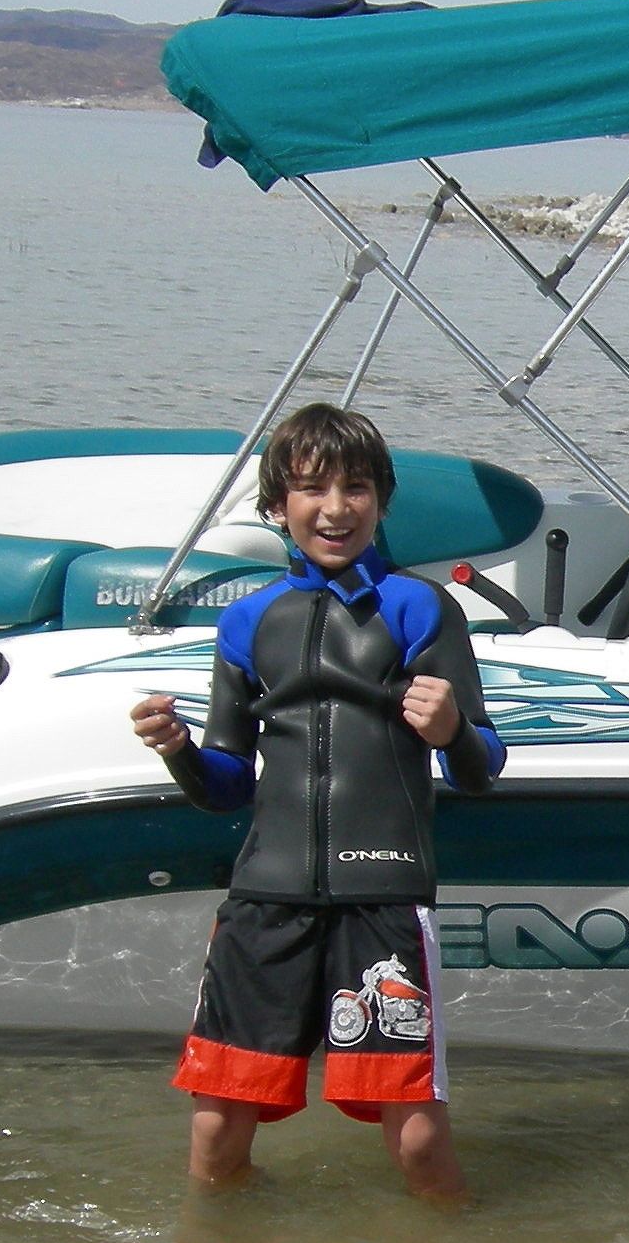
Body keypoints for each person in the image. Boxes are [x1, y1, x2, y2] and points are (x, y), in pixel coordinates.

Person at [129, 404, 505, 1195]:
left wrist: (449, 732)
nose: (336, 508)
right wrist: (180, 754)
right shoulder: (247, 621)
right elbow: (227, 784)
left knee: (417, 1146)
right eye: (311, 489)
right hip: (265, 898)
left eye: (356, 488)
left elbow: (482, 767)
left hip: (384, 899)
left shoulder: (418, 607)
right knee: (214, 1136)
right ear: (277, 507)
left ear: (381, 500)